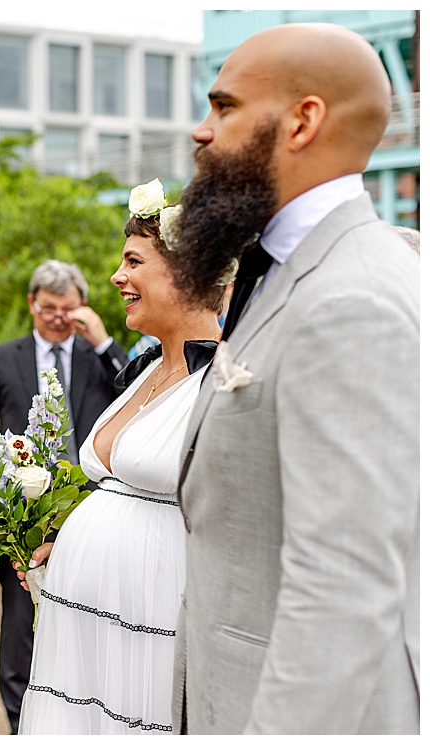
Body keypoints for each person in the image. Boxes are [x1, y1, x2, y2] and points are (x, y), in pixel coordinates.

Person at [170, 23, 419, 734]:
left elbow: (343, 587)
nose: (202, 130)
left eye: (224, 107)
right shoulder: (289, 267)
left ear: (304, 120)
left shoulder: (352, 299)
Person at [12, 187, 224, 734]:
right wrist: (67, 545)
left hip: (156, 619)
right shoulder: (147, 369)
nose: (115, 277)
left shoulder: (229, 377)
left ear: (188, 273)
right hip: (84, 617)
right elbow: (121, 493)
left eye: (133, 261)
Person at [0, 259, 126, 733]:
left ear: (80, 308)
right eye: (48, 308)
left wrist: (102, 340)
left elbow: (135, 388)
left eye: (68, 308)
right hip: (23, 516)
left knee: (87, 623)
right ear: (31, 304)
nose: (57, 317)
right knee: (20, 632)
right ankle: (23, 728)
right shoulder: (4, 356)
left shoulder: (98, 356)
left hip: (89, 507)